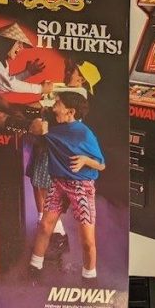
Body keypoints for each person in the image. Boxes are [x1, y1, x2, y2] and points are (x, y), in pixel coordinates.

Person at [26, 60, 101, 269]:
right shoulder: (62, 89)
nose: (67, 72)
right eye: (68, 69)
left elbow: (42, 106)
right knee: (37, 184)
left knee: (44, 186)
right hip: (45, 143)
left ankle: (57, 237)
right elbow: (41, 105)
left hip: (55, 146)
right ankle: (52, 235)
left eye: (72, 71)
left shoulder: (77, 95)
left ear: (82, 79)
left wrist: (28, 107)